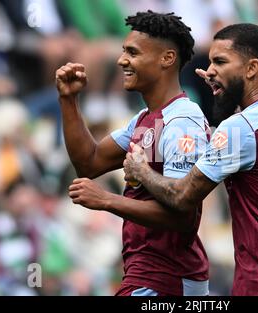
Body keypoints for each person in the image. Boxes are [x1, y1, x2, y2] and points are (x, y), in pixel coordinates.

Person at [124, 23, 258, 296]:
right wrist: (224, 86)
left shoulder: (240, 128)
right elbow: (256, 146)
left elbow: (182, 196)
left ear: (251, 68)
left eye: (220, 62)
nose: (211, 70)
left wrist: (141, 170)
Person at [55, 11, 210, 296]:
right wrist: (69, 99)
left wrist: (107, 200)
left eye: (132, 52)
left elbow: (183, 216)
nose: (121, 60)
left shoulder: (182, 122)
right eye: (123, 50)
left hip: (169, 277)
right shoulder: (143, 119)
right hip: (147, 273)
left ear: (167, 59)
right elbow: (89, 163)